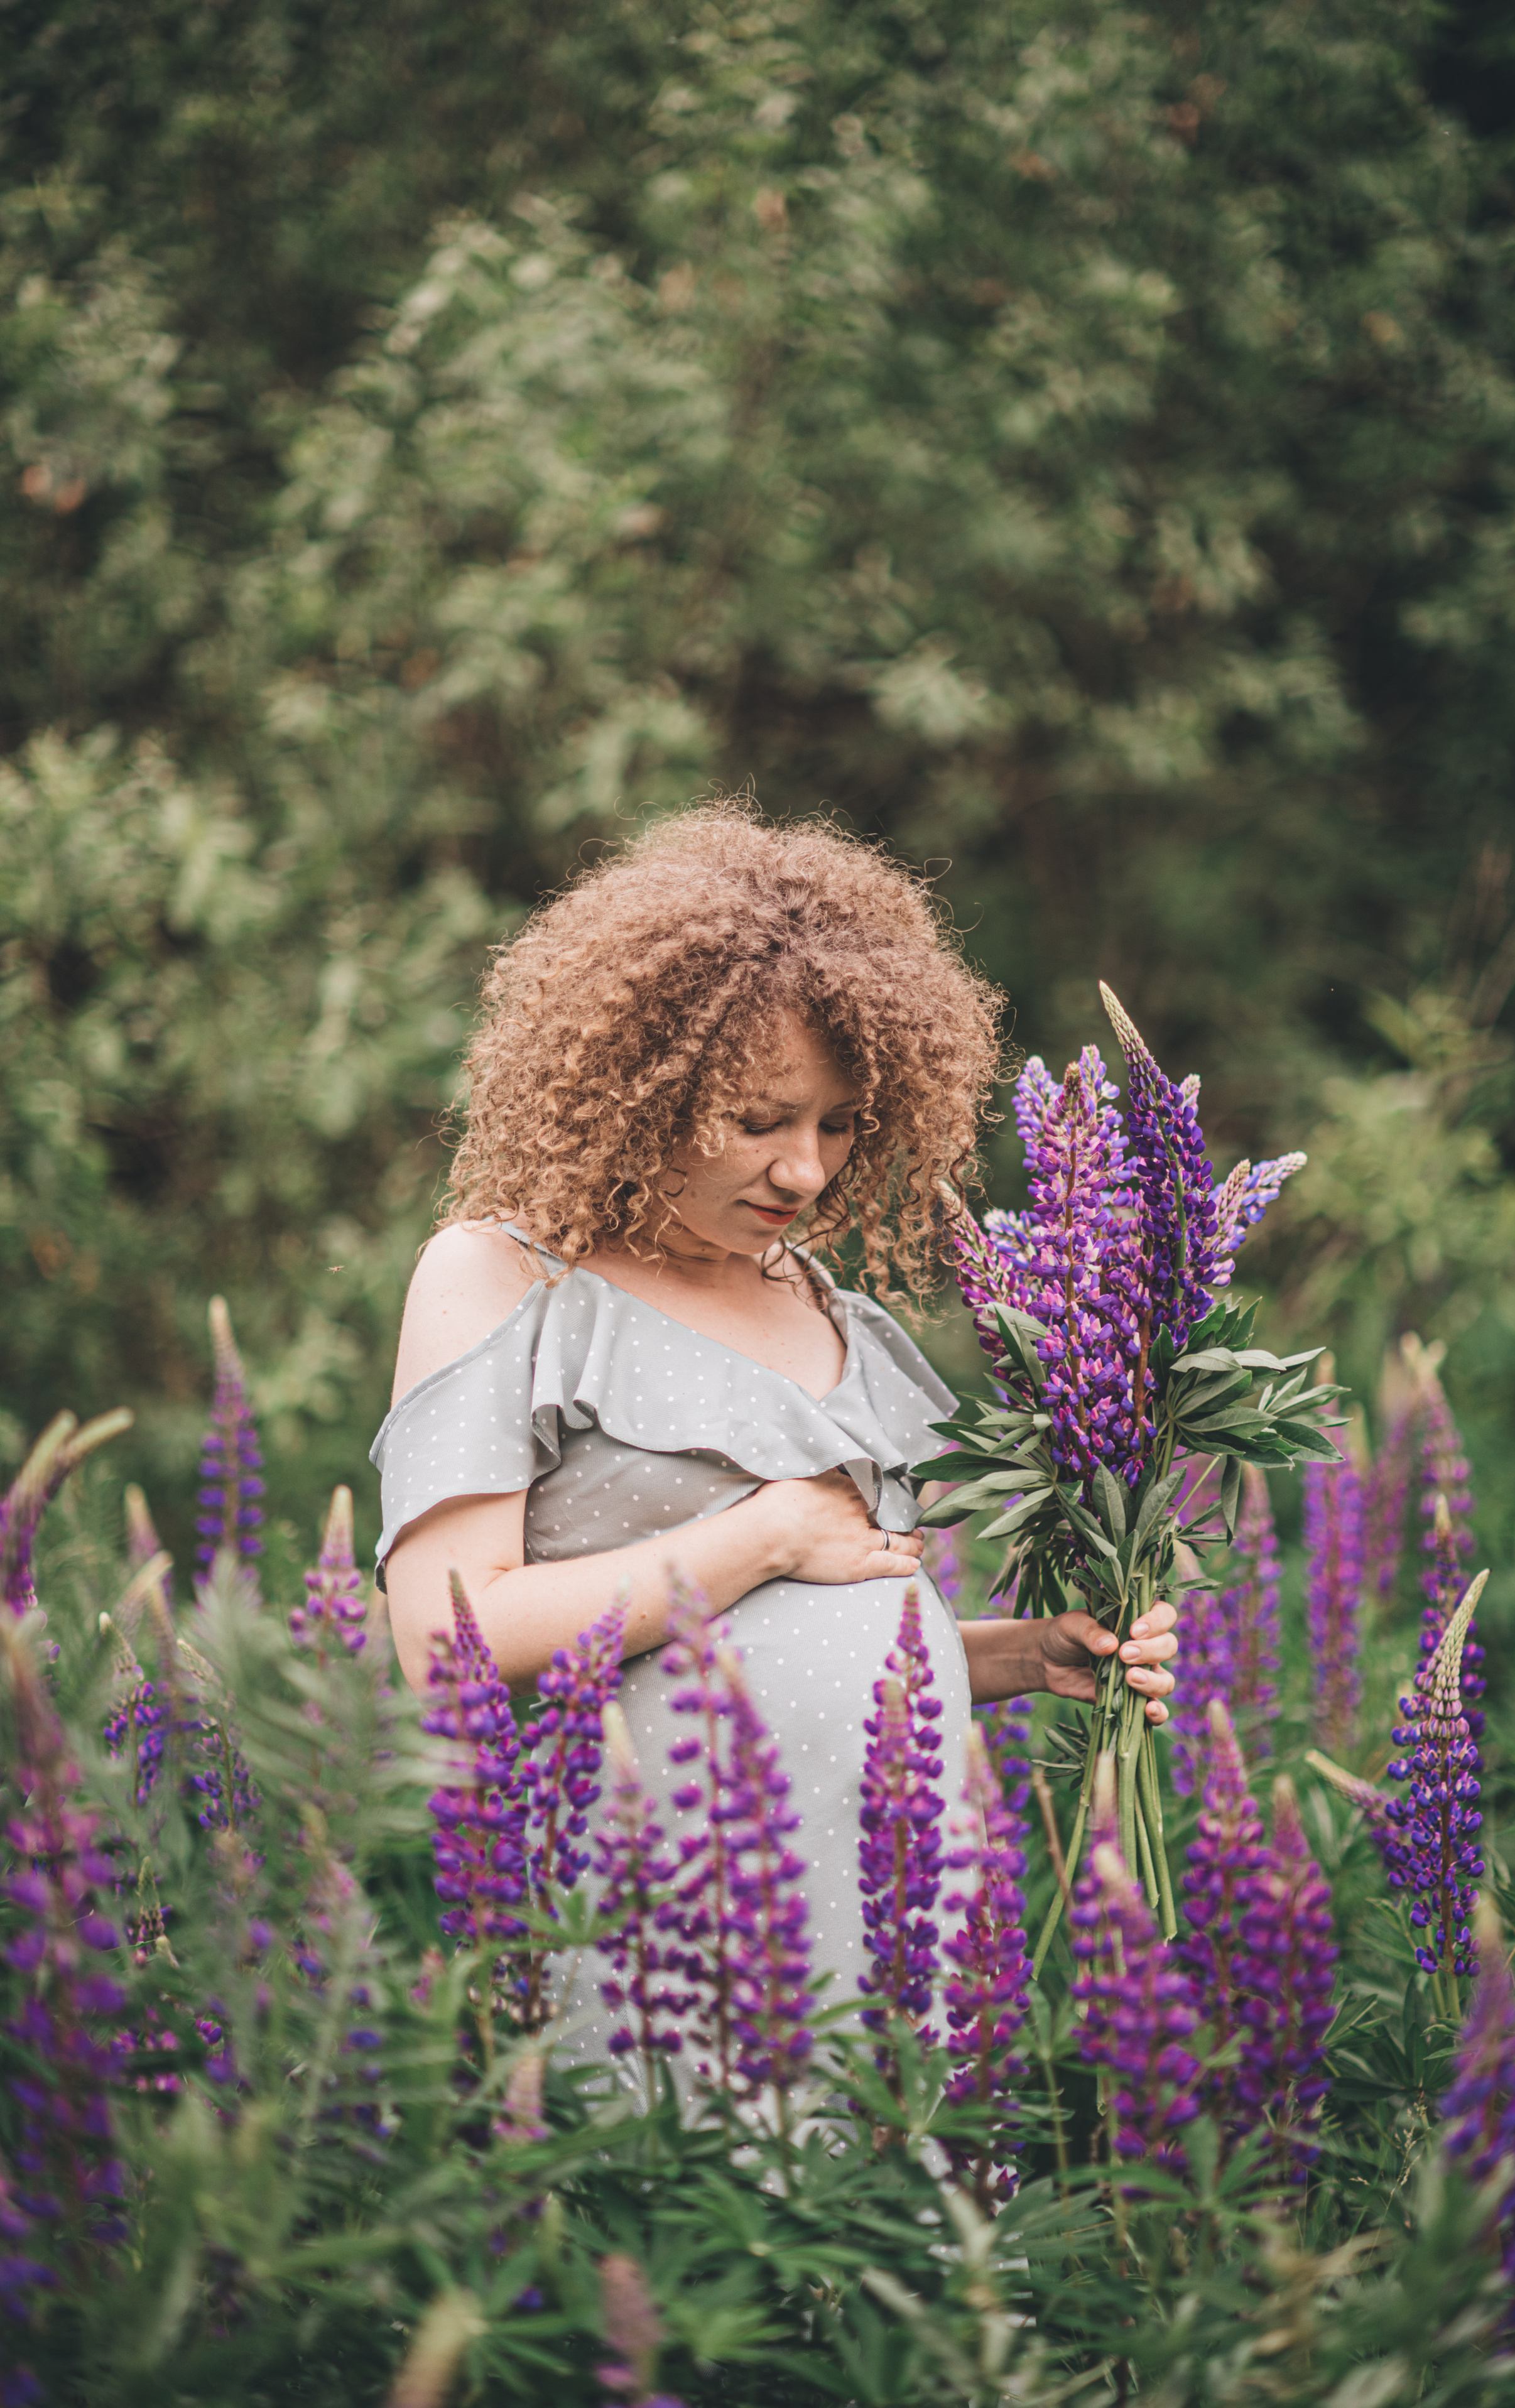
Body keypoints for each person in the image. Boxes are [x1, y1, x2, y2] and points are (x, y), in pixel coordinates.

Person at [374, 805, 1178, 2043]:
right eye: (758, 1120)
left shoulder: (818, 1302)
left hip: (905, 1907)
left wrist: (1019, 1657)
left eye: (839, 1124)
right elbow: (445, 1638)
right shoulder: (502, 1279)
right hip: (665, 1927)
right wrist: (760, 1537)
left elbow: (804, 1642)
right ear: (639, 1089)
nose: (804, 1172)